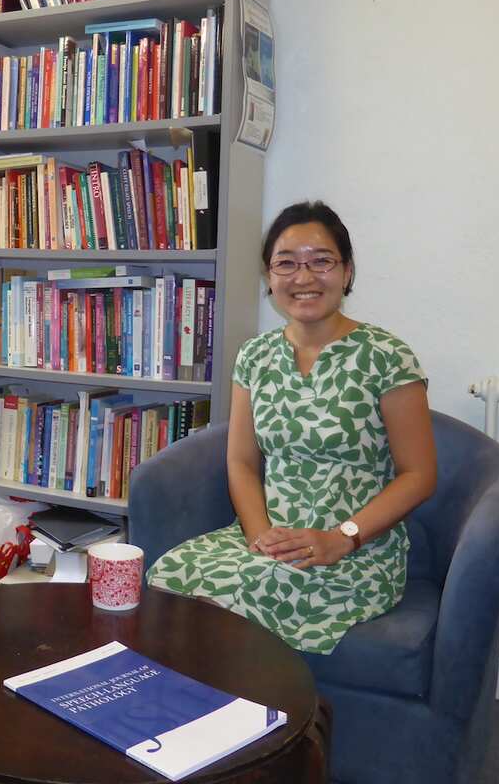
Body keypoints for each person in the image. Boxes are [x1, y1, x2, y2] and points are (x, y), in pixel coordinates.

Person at [147, 200, 436, 654]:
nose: (303, 278)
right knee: (170, 573)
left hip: (357, 552)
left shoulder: (387, 356)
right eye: (286, 264)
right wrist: (260, 535)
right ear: (269, 277)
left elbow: (419, 475)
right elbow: (241, 460)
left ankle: (273, 718)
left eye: (321, 261)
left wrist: (342, 539)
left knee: (249, 594)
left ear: (347, 272)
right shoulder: (255, 356)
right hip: (270, 536)